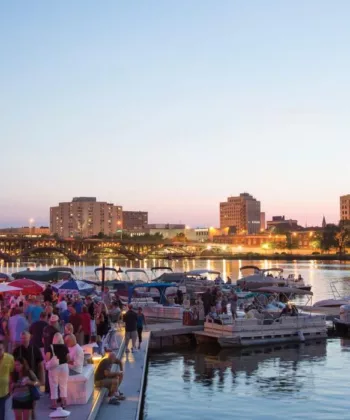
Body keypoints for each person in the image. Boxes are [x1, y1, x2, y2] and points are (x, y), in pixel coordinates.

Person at [46, 332, 69, 410]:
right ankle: (64, 404)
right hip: (64, 367)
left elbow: (47, 358)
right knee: (63, 385)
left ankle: (54, 404)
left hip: (54, 368)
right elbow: (68, 358)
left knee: (53, 385)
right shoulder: (64, 346)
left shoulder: (50, 347)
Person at [0, 340, 14, 419]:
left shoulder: (10, 358)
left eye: (0, 349)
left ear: (4, 349)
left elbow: (12, 373)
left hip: (4, 391)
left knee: (2, 413)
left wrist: (11, 387)